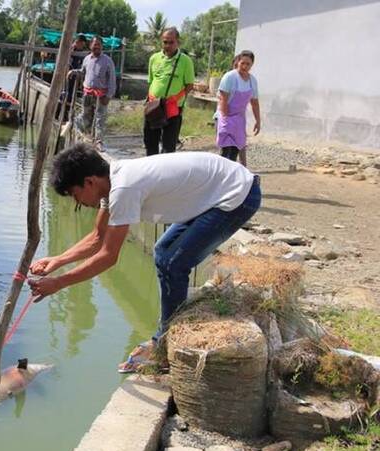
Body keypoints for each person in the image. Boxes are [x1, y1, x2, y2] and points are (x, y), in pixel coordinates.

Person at [28, 144, 262, 373]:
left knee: (173, 263)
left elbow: (108, 256)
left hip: (236, 196)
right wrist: (57, 261)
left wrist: (58, 283)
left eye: (74, 194)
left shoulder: (123, 190)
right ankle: (167, 335)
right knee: (163, 252)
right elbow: (97, 237)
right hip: (217, 190)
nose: (77, 202)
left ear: (89, 181)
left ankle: (165, 346)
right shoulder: (113, 182)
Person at [144, 28, 195, 156]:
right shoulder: (154, 58)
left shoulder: (185, 61)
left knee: (168, 147)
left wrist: (176, 98)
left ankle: (165, 174)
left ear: (178, 42)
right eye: (165, 42)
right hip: (154, 107)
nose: (167, 46)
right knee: (150, 143)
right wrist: (150, 99)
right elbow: (151, 81)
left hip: (173, 108)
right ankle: (151, 172)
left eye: (171, 42)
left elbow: (189, 85)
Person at [69, 36, 116, 147]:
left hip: (101, 94)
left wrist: (108, 96)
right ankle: (85, 134)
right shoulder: (87, 59)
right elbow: (83, 72)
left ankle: (99, 141)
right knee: (86, 116)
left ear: (102, 46)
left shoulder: (108, 61)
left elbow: (112, 81)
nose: (97, 47)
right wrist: (73, 72)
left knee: (100, 118)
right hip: (88, 93)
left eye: (99, 44)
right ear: (90, 46)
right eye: (95, 44)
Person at [216, 50, 261, 165]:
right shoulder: (230, 77)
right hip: (226, 116)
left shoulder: (252, 81)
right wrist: (226, 121)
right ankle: (220, 177)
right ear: (238, 62)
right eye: (242, 63)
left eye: (248, 64)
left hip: (239, 119)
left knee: (235, 150)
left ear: (252, 65)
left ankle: (232, 177)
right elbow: (223, 101)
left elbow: (254, 102)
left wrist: (258, 121)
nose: (245, 66)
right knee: (226, 151)